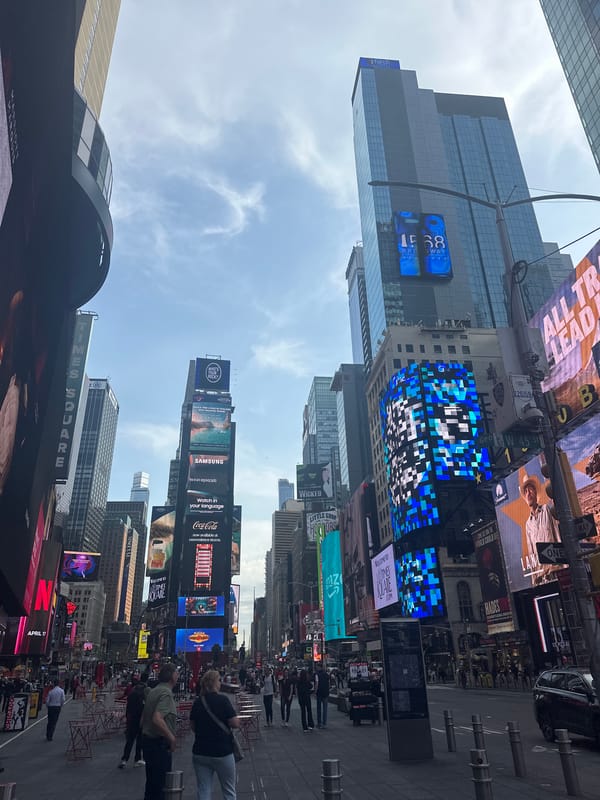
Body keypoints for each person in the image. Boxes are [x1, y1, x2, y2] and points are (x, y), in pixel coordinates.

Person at [189, 669, 239, 800]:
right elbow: (234, 723)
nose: (220, 683)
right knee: (229, 790)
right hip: (222, 751)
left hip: (200, 751)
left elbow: (192, 726)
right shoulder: (223, 700)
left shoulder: (198, 702)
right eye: (219, 680)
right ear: (214, 683)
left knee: (204, 789)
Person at [141, 663, 178, 800]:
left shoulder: (153, 691)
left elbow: (143, 719)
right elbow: (157, 718)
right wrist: (171, 738)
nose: (178, 675)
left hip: (148, 742)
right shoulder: (166, 693)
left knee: (151, 785)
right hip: (159, 744)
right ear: (172, 676)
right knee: (161, 787)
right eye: (176, 673)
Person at [520, 472, 560, 585]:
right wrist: (535, 578)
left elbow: (557, 535)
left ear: (535, 492)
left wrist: (565, 566)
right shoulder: (528, 524)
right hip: (542, 576)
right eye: (525, 491)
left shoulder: (547, 510)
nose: (528, 493)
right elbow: (531, 552)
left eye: (530, 489)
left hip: (556, 570)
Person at [119, 678, 147, 769]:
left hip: (131, 720)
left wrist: (127, 719)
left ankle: (124, 759)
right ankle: (137, 759)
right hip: (139, 721)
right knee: (139, 741)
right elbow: (144, 710)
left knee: (130, 741)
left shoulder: (131, 695)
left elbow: (128, 709)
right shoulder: (142, 696)